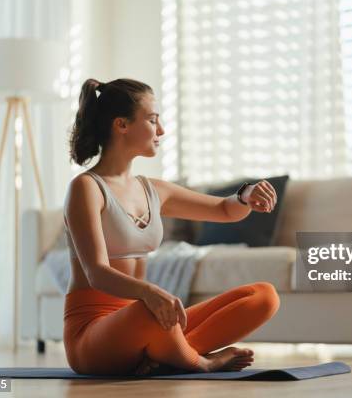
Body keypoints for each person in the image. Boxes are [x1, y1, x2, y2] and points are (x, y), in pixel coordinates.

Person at [63, 78, 280, 376]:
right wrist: (150, 293)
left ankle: (160, 355)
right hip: (94, 336)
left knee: (263, 296)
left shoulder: (154, 190)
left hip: (147, 321)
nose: (161, 130)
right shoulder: (86, 188)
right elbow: (95, 272)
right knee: (147, 310)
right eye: (152, 120)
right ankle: (199, 361)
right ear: (121, 125)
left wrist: (245, 195)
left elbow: (223, 209)